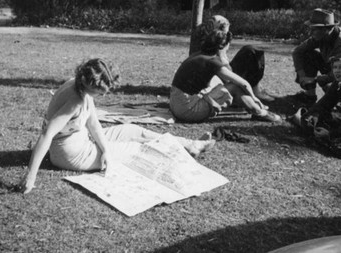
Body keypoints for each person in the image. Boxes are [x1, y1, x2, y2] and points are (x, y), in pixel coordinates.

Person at [18, 58, 215, 194]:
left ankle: (189, 144)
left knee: (132, 130)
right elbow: (46, 135)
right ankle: (185, 148)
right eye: (100, 92)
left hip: (83, 140)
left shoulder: (79, 86)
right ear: (89, 83)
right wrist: (31, 177)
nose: (102, 96)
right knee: (135, 148)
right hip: (71, 154)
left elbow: (93, 123)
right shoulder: (74, 101)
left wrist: (103, 149)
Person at [170, 29, 282, 123]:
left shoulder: (199, 55)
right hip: (187, 110)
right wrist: (254, 97)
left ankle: (254, 108)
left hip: (176, 104)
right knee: (234, 87)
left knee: (224, 85)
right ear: (221, 47)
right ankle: (259, 112)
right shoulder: (212, 62)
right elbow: (243, 83)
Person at [190, 15, 275, 102]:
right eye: (226, 34)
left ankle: (255, 89)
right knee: (251, 51)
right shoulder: (210, 50)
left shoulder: (212, 39)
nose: (228, 37)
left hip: (224, 73)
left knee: (253, 51)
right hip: (221, 82)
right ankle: (251, 93)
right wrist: (222, 52)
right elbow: (226, 76)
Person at [292, 8, 341, 104]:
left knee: (334, 90)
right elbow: (297, 52)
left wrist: (314, 80)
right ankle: (309, 97)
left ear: (326, 29)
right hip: (335, 69)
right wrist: (302, 76)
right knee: (308, 54)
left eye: (314, 29)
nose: (310, 33)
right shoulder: (321, 36)